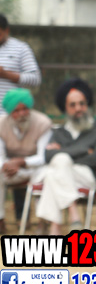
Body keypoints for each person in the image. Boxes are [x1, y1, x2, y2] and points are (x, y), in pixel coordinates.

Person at [37, 78, 96, 234]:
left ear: (87, 104)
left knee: (56, 167)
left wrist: (64, 152)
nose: (78, 108)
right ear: (65, 108)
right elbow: (47, 155)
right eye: (73, 105)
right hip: (66, 177)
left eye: (82, 103)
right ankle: (71, 213)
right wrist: (84, 150)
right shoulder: (59, 132)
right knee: (57, 168)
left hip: (88, 176)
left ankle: (54, 226)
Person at [0, 89, 52, 234]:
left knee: (46, 173)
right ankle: (0, 220)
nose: (22, 114)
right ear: (10, 112)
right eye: (16, 111)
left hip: (35, 168)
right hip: (11, 169)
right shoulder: (1, 124)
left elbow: (43, 156)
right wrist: (7, 165)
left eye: (24, 109)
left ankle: (42, 221)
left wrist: (21, 162)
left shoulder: (43, 122)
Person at [0, 13, 42, 108]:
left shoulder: (20, 48)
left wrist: (6, 75)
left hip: (11, 111)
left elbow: (35, 78)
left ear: (7, 30)